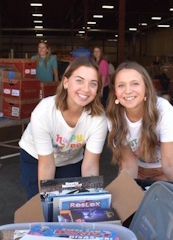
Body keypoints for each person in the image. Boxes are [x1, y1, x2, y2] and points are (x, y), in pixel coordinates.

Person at [17, 57, 108, 199]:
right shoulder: (44, 113)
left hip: (70, 160)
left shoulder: (98, 119)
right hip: (36, 158)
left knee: (74, 204)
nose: (85, 89)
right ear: (65, 82)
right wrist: (47, 202)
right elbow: (46, 166)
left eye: (93, 84)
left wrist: (92, 202)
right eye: (79, 80)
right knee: (42, 206)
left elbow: (90, 167)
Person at [105, 61, 173, 184]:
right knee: (127, 201)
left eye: (135, 84)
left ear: (146, 88)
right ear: (115, 91)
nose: (128, 90)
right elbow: (128, 165)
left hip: (162, 170)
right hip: (136, 169)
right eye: (121, 85)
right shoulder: (113, 116)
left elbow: (169, 163)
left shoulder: (163, 109)